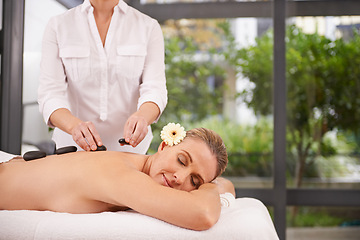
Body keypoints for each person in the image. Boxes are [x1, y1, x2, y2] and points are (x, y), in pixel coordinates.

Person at [0, 128, 235, 230]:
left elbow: (228, 186)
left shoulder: (135, 167)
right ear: (163, 145)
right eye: (182, 161)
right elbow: (202, 214)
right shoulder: (122, 175)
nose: (179, 178)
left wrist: (213, 184)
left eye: (194, 181)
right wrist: (209, 188)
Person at [37, 0, 167, 153]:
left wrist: (142, 117)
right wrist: (74, 126)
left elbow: (155, 89)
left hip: (131, 151)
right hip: (73, 151)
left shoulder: (148, 27)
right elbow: (50, 93)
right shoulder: (58, 26)